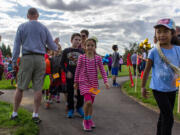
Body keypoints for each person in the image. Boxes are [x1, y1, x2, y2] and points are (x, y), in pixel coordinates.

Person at [11, 7, 58, 124]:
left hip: (26, 58)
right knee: (38, 88)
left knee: (20, 87)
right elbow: (52, 46)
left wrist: (13, 61)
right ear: (37, 15)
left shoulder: (22, 27)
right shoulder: (44, 28)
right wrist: (56, 45)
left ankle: (14, 113)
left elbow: (17, 46)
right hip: (40, 59)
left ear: (28, 16)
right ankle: (35, 114)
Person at [141, 18, 180, 135]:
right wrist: (143, 87)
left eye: (165, 31)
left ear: (172, 33)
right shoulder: (153, 52)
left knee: (163, 115)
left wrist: (178, 84)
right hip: (158, 89)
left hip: (172, 89)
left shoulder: (178, 50)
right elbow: (147, 71)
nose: (161, 35)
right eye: (159, 32)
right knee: (169, 117)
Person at [74, 37, 110, 131]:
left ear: (95, 47)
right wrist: (76, 82)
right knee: (88, 102)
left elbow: (102, 70)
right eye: (88, 45)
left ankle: (89, 119)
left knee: (91, 104)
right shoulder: (81, 57)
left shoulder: (98, 58)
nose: (90, 47)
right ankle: (85, 121)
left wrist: (106, 81)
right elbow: (77, 70)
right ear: (85, 47)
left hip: (94, 84)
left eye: (92, 45)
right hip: (83, 83)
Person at [60, 33, 84, 118]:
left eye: (79, 40)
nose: (77, 41)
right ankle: (71, 109)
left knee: (81, 92)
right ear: (71, 40)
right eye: (76, 39)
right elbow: (61, 64)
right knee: (70, 92)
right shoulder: (66, 51)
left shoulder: (82, 51)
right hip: (70, 74)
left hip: (80, 75)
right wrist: (67, 71)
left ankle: (79, 107)